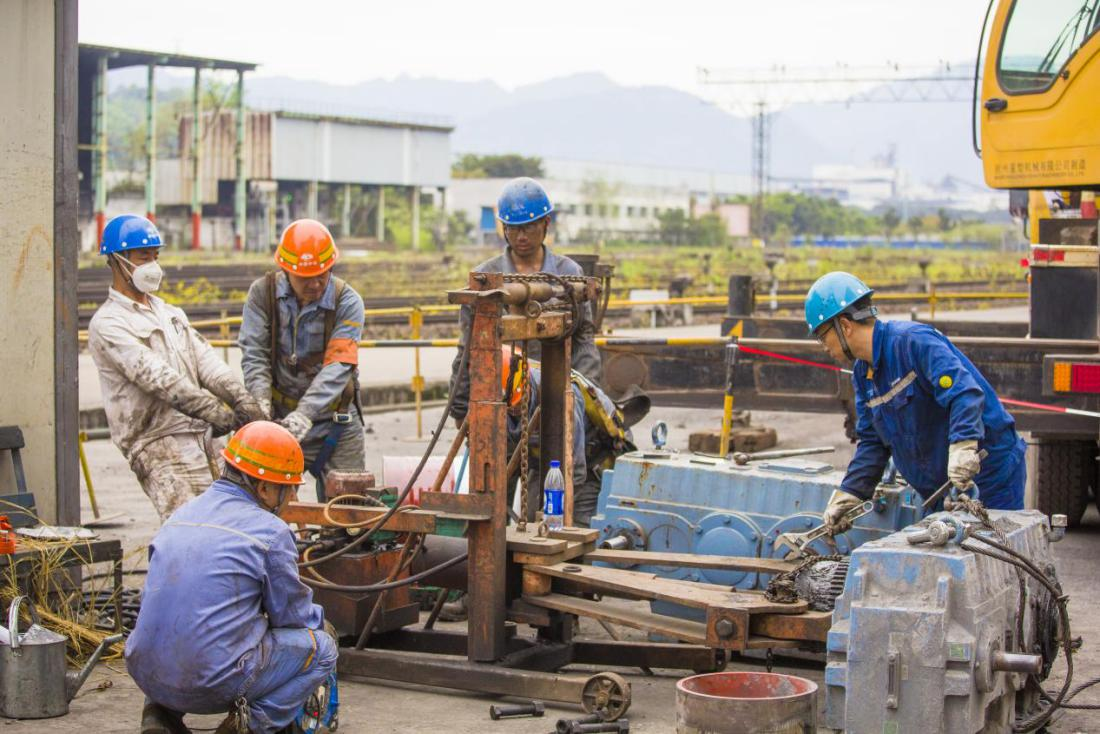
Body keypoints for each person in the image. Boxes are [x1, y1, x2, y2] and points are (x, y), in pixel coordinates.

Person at [128, 421, 338, 734]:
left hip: (145, 671)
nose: (293, 496)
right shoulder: (271, 532)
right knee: (322, 648)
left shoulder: (180, 515)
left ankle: (158, 717)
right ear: (264, 489)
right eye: (290, 487)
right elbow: (293, 618)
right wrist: (322, 624)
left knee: (176, 629)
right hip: (209, 682)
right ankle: (248, 726)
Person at [805, 272, 1027, 533]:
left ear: (844, 326)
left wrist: (964, 445)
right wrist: (851, 492)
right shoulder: (863, 376)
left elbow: (964, 393)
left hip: (989, 476)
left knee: (998, 550)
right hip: (941, 490)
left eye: (822, 335)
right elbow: (873, 442)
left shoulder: (913, 343)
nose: (824, 346)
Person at [88, 215, 267, 521]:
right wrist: (217, 412)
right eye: (143, 257)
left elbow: (207, 362)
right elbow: (159, 379)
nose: (152, 265)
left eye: (155, 256)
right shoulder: (108, 324)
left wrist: (242, 400)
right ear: (117, 260)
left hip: (204, 434)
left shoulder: (170, 314)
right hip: (157, 442)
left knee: (233, 519)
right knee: (189, 525)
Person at [449, 178, 603, 428]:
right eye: (513, 228)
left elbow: (583, 339)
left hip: (558, 394)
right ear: (504, 228)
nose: (521, 236)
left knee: (574, 445)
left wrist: (585, 394)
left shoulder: (569, 274)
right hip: (502, 397)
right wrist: (459, 408)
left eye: (529, 227)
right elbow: (468, 348)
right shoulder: (485, 278)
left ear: (546, 224)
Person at [239, 218, 366, 500]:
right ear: (286, 272)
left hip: (336, 421)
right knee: (262, 502)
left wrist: (303, 415)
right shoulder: (262, 294)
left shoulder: (348, 301)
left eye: (322, 274)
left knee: (349, 508)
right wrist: (261, 404)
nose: (316, 283)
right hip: (279, 417)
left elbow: (339, 365)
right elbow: (254, 354)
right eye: (306, 278)